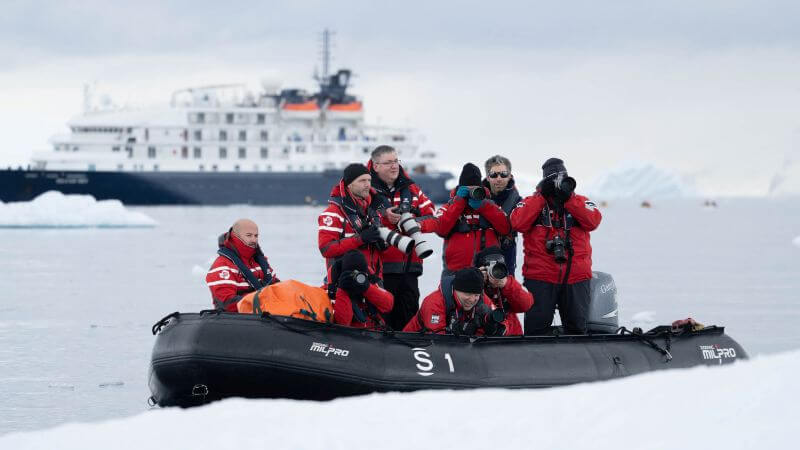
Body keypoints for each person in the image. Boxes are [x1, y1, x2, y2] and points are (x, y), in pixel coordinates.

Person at [510, 158, 602, 335]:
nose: (558, 184)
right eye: (554, 180)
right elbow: (517, 223)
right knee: (536, 331)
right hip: (540, 278)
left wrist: (570, 199)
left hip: (576, 277)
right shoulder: (532, 202)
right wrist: (541, 196)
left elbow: (593, 221)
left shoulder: (580, 201)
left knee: (577, 330)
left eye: (563, 179)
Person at [368, 145, 438, 331]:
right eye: (388, 162)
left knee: (409, 324)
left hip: (409, 271)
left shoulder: (412, 189)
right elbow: (359, 221)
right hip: (379, 272)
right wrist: (385, 217)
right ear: (375, 166)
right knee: (381, 324)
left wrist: (413, 220)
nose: (394, 166)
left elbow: (434, 218)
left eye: (396, 161)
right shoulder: (365, 188)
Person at [435, 163, 511, 276]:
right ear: (460, 188)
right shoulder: (449, 207)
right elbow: (440, 229)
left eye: (475, 189)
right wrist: (459, 203)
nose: (471, 193)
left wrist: (483, 206)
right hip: (456, 274)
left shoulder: (490, 206)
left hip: (488, 272)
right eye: (467, 189)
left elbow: (506, 228)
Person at [317, 163, 388, 280]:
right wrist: (360, 239)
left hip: (373, 281)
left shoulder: (373, 211)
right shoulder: (333, 213)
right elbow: (326, 249)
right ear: (349, 184)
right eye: (362, 181)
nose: (367, 185)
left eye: (369, 180)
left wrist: (382, 242)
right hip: (345, 283)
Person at [206, 218, 280, 312]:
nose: (254, 240)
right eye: (249, 235)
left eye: (256, 236)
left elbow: (275, 286)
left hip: (265, 314)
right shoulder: (222, 265)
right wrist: (262, 300)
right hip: (238, 320)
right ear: (235, 236)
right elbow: (227, 303)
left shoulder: (260, 262)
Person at [403, 267, 503, 336]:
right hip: (413, 347)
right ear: (455, 290)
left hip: (456, 351)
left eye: (476, 295)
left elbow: (502, 326)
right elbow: (437, 341)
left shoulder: (483, 301)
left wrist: (490, 325)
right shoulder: (434, 303)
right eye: (467, 294)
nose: (472, 299)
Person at [473, 246, 533, 336]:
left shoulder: (508, 283)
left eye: (498, 268)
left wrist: (506, 284)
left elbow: (526, 305)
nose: (494, 272)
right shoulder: (474, 284)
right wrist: (476, 280)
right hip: (483, 339)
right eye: (489, 268)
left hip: (511, 338)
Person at [331, 250, 394, 330]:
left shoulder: (370, 279)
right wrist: (342, 290)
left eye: (359, 275)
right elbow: (342, 323)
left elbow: (389, 304)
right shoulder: (333, 284)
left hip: (372, 331)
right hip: (348, 335)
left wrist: (367, 288)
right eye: (352, 274)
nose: (356, 278)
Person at [483, 155, 522, 277]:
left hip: (506, 260)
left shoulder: (518, 201)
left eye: (503, 174)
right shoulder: (476, 199)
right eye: (494, 175)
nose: (499, 178)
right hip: (480, 260)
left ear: (510, 176)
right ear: (488, 177)